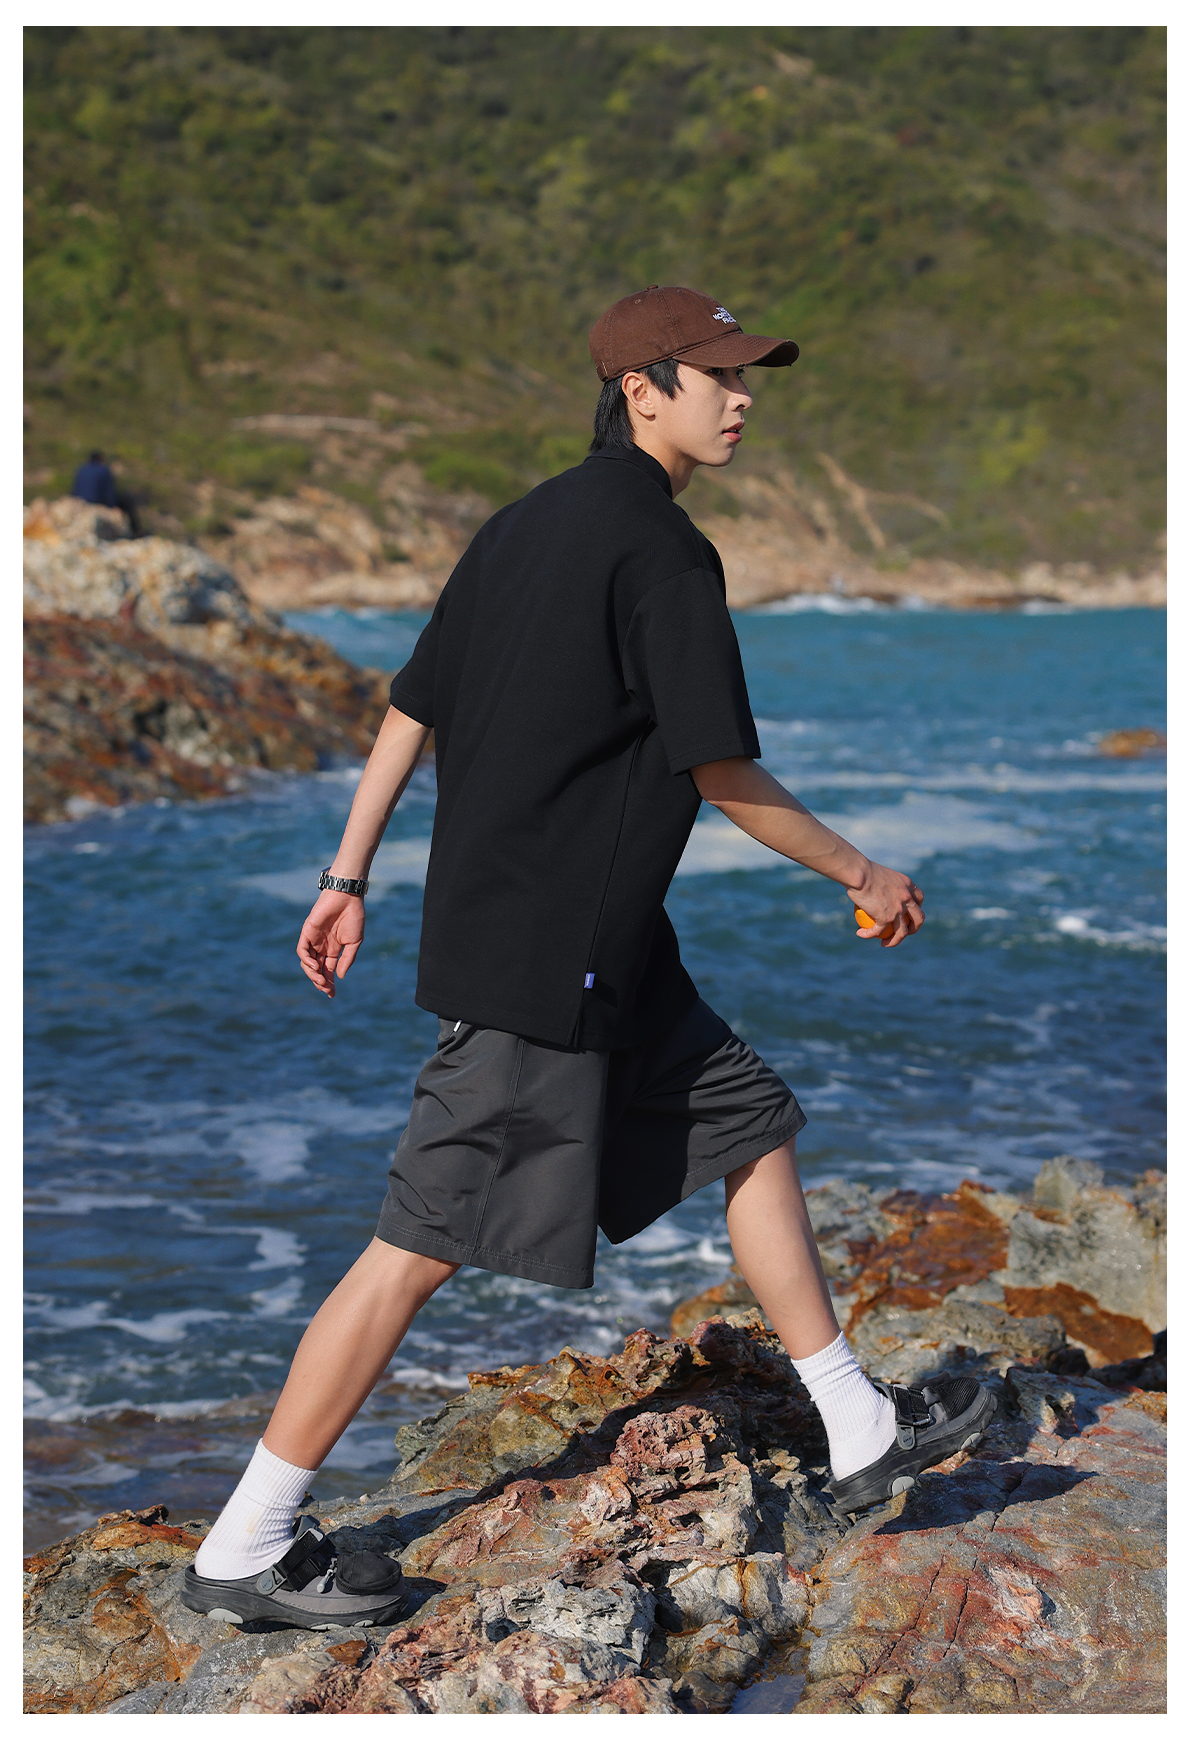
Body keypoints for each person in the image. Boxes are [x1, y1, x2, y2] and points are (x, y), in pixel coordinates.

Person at [181, 286, 996, 1630]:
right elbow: (721, 769)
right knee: (414, 1246)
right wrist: (863, 871)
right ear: (641, 389)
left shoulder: (519, 526)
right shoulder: (664, 552)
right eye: (717, 376)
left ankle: (857, 1425)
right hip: (546, 962)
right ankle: (246, 1544)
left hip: (597, 943)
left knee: (751, 1125)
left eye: (748, 376)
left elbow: (411, 705)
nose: (742, 397)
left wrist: (346, 874)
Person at [71, 450, 141, 535]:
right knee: (127, 502)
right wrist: (113, 506)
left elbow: (75, 488)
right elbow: (109, 492)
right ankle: (136, 531)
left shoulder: (81, 469)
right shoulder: (103, 470)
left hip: (80, 500)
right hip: (96, 501)